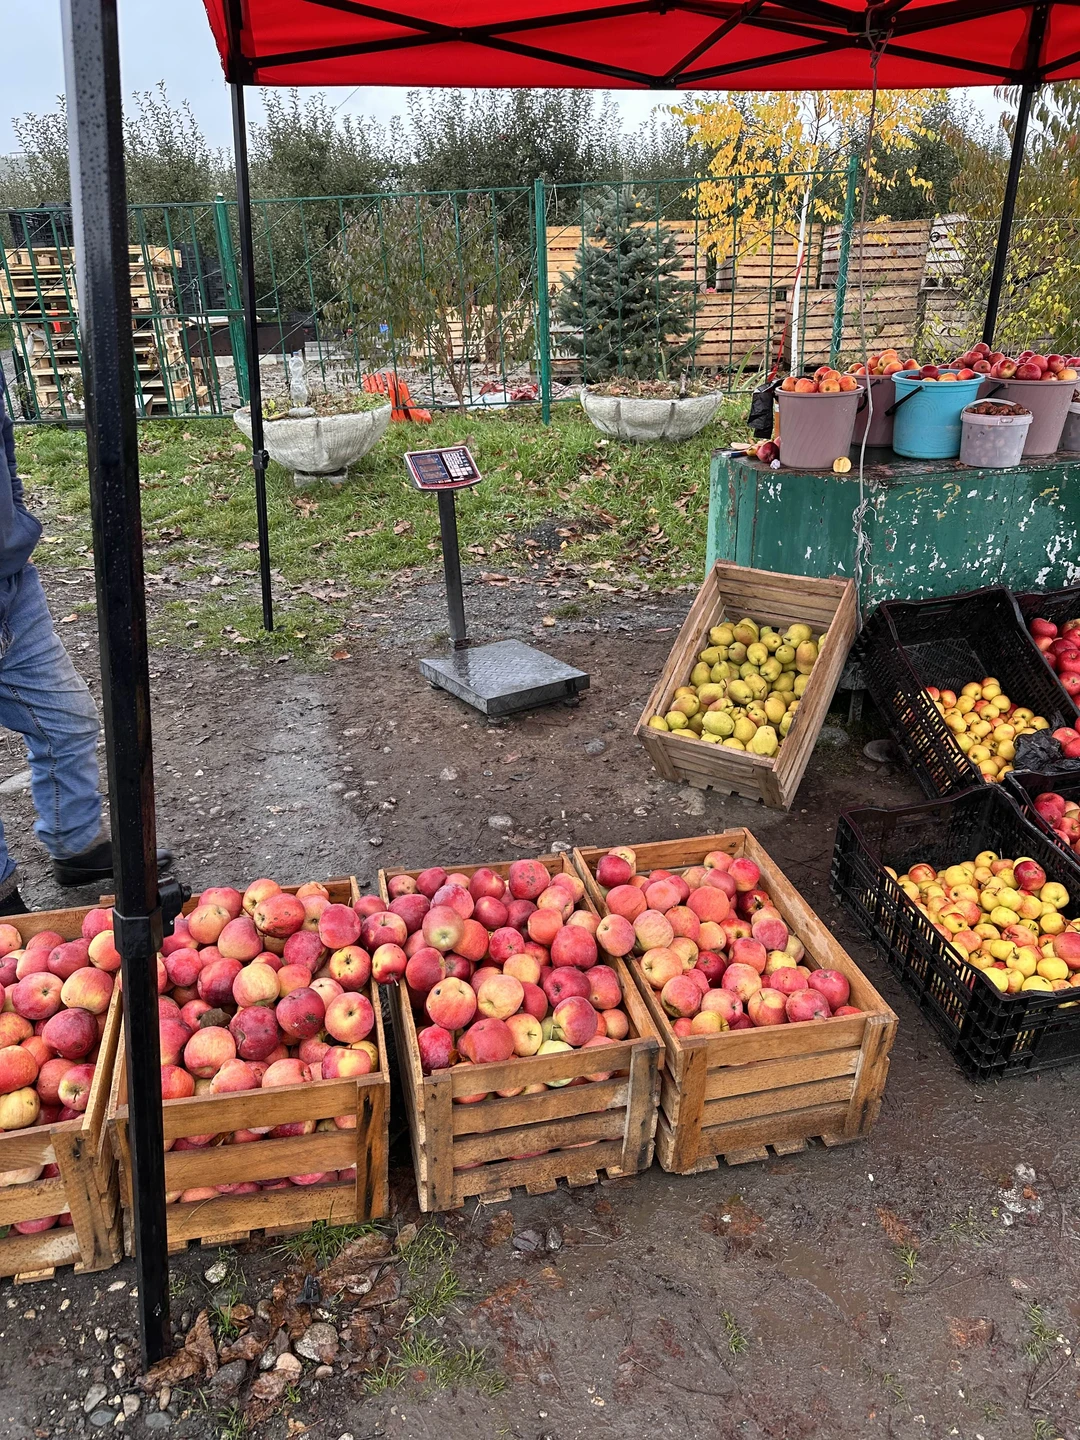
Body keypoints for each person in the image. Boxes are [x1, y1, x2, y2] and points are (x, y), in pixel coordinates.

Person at [0, 369, 169, 912]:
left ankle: (75, 845)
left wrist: (16, 520)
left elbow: (5, 445)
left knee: (68, 719)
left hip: (10, 582)